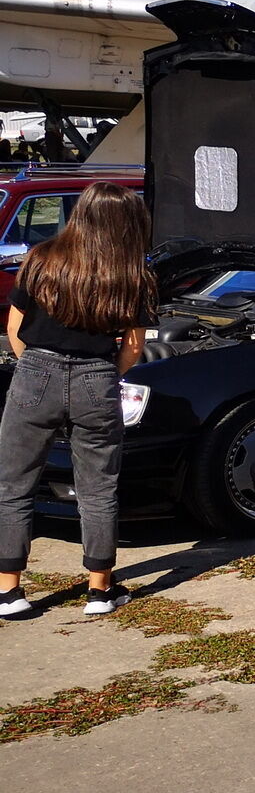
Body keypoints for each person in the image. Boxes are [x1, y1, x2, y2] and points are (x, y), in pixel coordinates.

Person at [0, 183, 154, 617]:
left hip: (36, 372)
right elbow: (133, 347)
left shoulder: (42, 257)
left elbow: (15, 327)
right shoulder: (132, 275)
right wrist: (102, 376)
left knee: (13, 485)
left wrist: (35, 369)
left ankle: (9, 591)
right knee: (99, 489)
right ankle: (100, 591)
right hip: (96, 378)